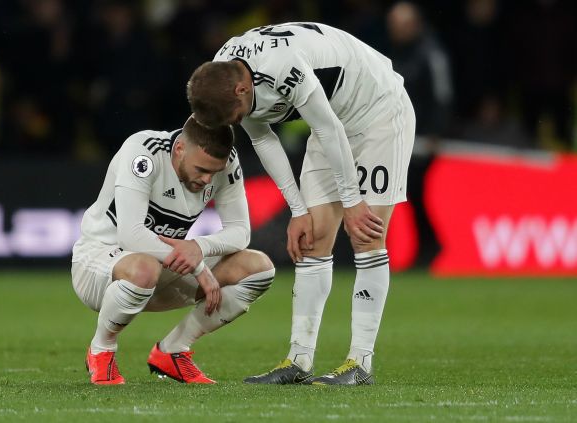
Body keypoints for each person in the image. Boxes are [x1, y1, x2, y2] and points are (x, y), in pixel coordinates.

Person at [187, 21, 415, 385]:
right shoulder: (224, 75)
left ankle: (360, 363)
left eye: (238, 115)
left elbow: (326, 128)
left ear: (243, 89)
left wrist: (353, 201)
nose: (240, 121)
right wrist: (297, 209)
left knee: (366, 235)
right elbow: (263, 139)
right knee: (313, 238)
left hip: (378, 110)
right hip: (332, 119)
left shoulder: (282, 65)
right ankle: (299, 360)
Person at [72, 115, 275, 385]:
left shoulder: (224, 162)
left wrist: (198, 247)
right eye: (201, 169)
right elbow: (131, 234)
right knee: (145, 266)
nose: (207, 179)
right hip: (98, 265)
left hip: (162, 269)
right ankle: (102, 349)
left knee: (258, 268)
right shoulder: (144, 151)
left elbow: (241, 231)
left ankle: (173, 351)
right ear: (179, 148)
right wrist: (198, 266)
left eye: (213, 172)